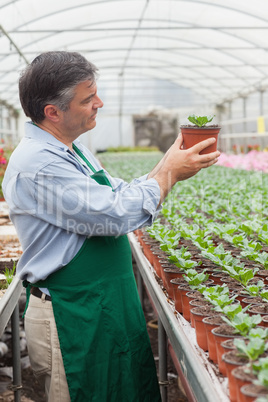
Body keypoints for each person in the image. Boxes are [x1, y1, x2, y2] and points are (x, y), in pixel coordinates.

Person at [3, 51, 220, 402]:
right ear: (53, 112)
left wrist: (170, 162)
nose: (99, 103)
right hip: (73, 312)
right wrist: (171, 174)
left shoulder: (71, 150)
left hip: (101, 304)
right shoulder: (38, 163)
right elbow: (115, 214)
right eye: (88, 99)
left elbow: (119, 193)